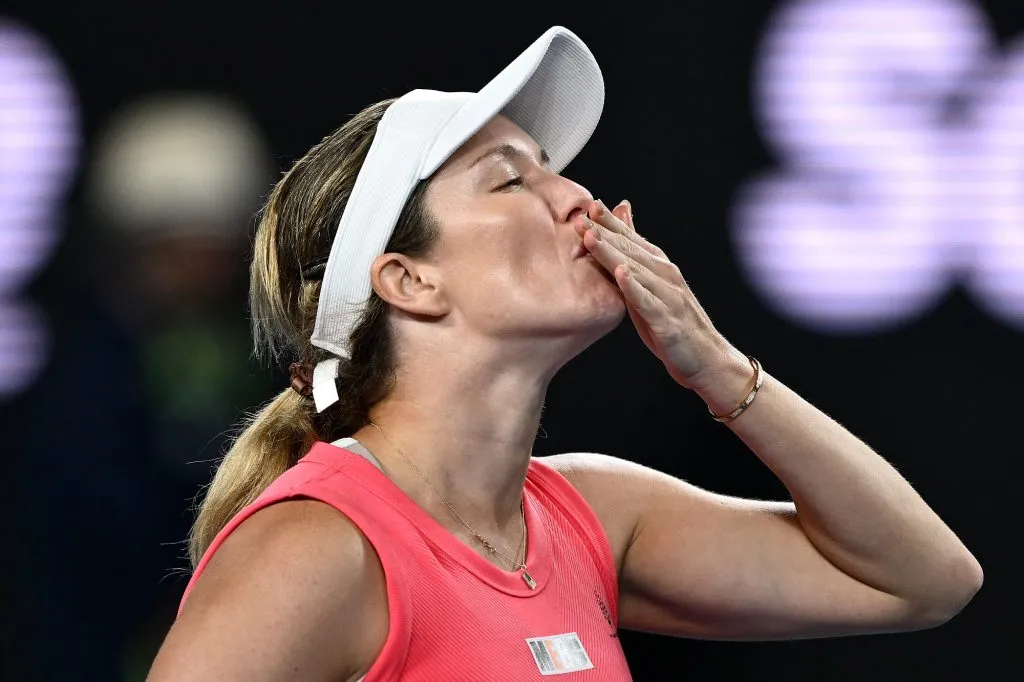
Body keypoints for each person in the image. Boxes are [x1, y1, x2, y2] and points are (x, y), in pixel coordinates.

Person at [147, 27, 982, 681]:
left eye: (555, 171)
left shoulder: (591, 515)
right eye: (511, 180)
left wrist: (719, 369)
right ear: (408, 280)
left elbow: (924, 579)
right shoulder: (316, 546)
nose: (578, 197)